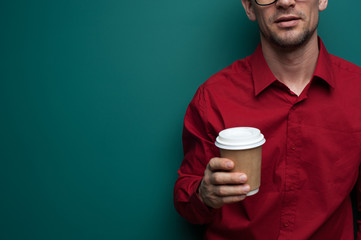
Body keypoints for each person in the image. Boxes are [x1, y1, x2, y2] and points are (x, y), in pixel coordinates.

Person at [174, 0, 361, 239]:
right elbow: (186, 202)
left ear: (322, 0)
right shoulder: (213, 98)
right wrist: (204, 195)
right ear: (250, 8)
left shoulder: (357, 91)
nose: (284, 2)